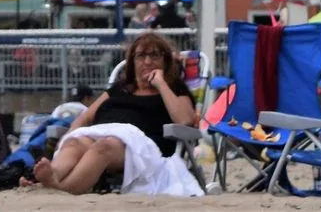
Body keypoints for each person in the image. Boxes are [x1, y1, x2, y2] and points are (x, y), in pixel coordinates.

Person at [28, 32, 201, 195]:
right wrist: (65, 139)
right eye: (141, 56)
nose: (148, 61)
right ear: (133, 61)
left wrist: (161, 84)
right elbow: (85, 117)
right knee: (74, 143)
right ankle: (53, 175)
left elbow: (184, 120)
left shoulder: (174, 89)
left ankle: (62, 188)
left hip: (141, 148)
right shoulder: (119, 88)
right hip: (104, 134)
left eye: (155, 55)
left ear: (166, 61)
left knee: (104, 147)